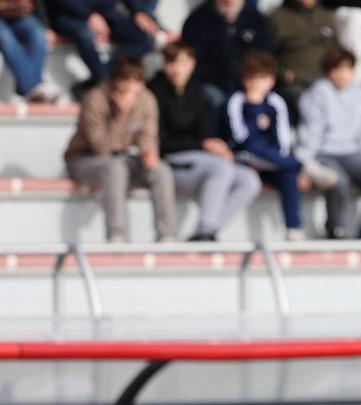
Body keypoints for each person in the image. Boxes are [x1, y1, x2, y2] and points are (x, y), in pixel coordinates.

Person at [149, 41, 263, 243]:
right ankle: (205, 228)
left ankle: (208, 231)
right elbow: (160, 142)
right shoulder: (154, 93)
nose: (177, 69)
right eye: (172, 62)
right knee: (220, 168)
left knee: (249, 179)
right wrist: (202, 146)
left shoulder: (198, 92)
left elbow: (205, 133)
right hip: (171, 160)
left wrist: (217, 147)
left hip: (199, 158)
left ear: (192, 64)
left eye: (183, 63)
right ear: (164, 64)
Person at [223, 50, 340, 241]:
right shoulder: (235, 101)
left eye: (261, 78)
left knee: (288, 174)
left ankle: (294, 228)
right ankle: (303, 167)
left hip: (274, 160)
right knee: (269, 157)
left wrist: (279, 160)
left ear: (270, 81)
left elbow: (282, 142)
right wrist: (253, 109)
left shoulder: (277, 103)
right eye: (252, 78)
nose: (256, 84)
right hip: (243, 158)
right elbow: (242, 140)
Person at [64, 57, 176, 244]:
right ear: (115, 80)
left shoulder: (146, 99)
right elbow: (101, 147)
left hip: (124, 158)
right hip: (84, 159)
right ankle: (116, 235)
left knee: (162, 171)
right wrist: (121, 115)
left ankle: (166, 235)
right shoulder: (95, 99)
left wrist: (148, 152)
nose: (130, 88)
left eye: (135, 82)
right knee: (115, 168)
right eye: (126, 81)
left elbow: (148, 134)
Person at [296, 46, 361, 240]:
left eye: (347, 69)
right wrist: (304, 162)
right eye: (337, 69)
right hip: (323, 153)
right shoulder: (318, 93)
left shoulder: (360, 92)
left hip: (352, 153)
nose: (342, 74)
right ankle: (335, 227)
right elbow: (311, 132)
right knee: (337, 180)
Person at [45, 0, 154, 98]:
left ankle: (100, 79)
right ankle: (104, 80)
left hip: (105, 13)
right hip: (69, 15)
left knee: (145, 38)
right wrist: (88, 15)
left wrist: (138, 11)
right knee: (85, 36)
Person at [181, 0, 273, 109]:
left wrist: (254, 84)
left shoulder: (258, 20)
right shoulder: (197, 21)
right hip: (213, 85)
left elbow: (265, 58)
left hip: (249, 83)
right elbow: (192, 63)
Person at [269, 0, 341, 110]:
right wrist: (282, 73)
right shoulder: (278, 18)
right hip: (296, 81)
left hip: (326, 80)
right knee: (310, 105)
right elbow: (267, 55)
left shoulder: (326, 16)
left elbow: (337, 51)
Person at [0, 0, 58, 103]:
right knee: (5, 39)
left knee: (39, 35)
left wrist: (46, 26)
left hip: (20, 16)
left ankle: (32, 88)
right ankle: (33, 88)